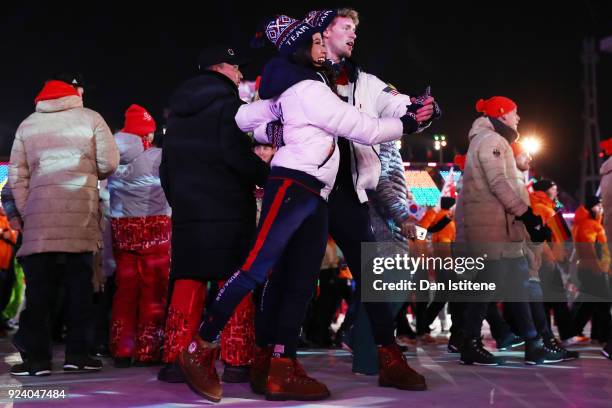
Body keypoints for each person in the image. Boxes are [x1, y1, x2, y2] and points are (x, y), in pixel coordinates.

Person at [178, 15, 421, 402]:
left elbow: (248, 117)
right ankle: (200, 347)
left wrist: (277, 122)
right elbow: (364, 127)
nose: (328, 45)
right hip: (294, 184)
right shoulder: (308, 87)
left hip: (318, 191)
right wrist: (406, 123)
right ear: (304, 46)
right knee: (258, 269)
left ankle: (279, 365)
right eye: (321, 40)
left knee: (300, 281)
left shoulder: (327, 83)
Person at [301, 7, 438, 386]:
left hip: (355, 202)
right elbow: (388, 186)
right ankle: (278, 354)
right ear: (321, 33)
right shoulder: (301, 76)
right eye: (345, 27)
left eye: (354, 29)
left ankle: (376, 354)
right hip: (315, 190)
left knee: (373, 286)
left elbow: (397, 102)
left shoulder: (365, 84)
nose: (353, 34)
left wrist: (418, 112)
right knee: (296, 278)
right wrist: (410, 219)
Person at [157, 45, 270, 382]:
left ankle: (177, 358)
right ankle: (236, 360)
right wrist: (266, 175)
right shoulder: (229, 107)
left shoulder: (177, 112)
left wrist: (180, 200)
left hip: (189, 211)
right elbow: (235, 156)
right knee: (232, 281)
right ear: (221, 68)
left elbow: (167, 167)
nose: (240, 75)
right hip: (228, 209)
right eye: (236, 68)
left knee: (187, 281)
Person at [8, 75, 119, 376]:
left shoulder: (28, 125)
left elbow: (17, 176)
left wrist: (28, 209)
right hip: (79, 214)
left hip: (39, 222)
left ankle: (38, 360)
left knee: (40, 292)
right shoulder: (91, 118)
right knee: (80, 288)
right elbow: (109, 163)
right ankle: (78, 355)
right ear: (73, 96)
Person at [456, 95, 561, 366]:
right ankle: (470, 341)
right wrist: (525, 215)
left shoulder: (492, 141)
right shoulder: (492, 141)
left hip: (502, 228)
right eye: (515, 113)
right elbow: (499, 183)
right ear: (501, 114)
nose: (518, 119)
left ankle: (533, 343)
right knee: (489, 287)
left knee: (515, 284)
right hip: (494, 230)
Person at [107, 104, 171, 367]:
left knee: (125, 291)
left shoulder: (112, 160)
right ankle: (148, 349)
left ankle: (122, 348)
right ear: (148, 134)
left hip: (122, 230)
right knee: (153, 291)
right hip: (155, 229)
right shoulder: (158, 157)